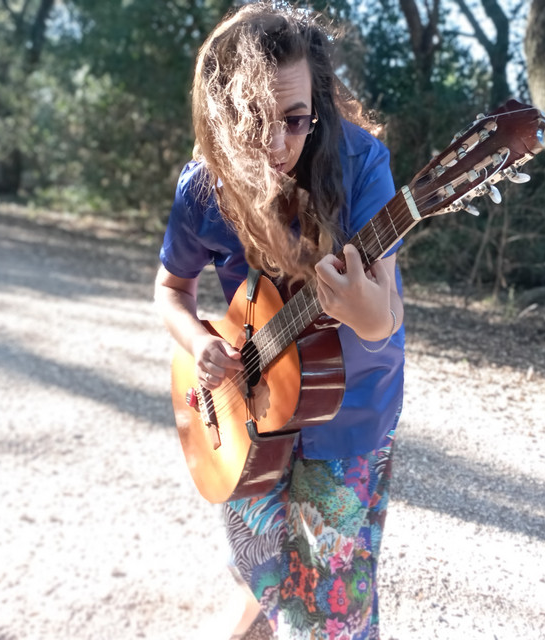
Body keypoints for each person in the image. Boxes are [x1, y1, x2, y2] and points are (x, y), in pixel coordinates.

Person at [154, 3, 405, 638]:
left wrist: (362, 310)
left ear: (316, 105)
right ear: (220, 111)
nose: (274, 144)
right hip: (249, 413)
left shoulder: (360, 163)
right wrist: (200, 343)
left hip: (350, 409)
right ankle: (256, 615)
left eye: (294, 120)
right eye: (251, 119)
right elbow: (171, 289)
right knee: (263, 557)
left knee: (332, 613)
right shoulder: (203, 188)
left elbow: (386, 315)